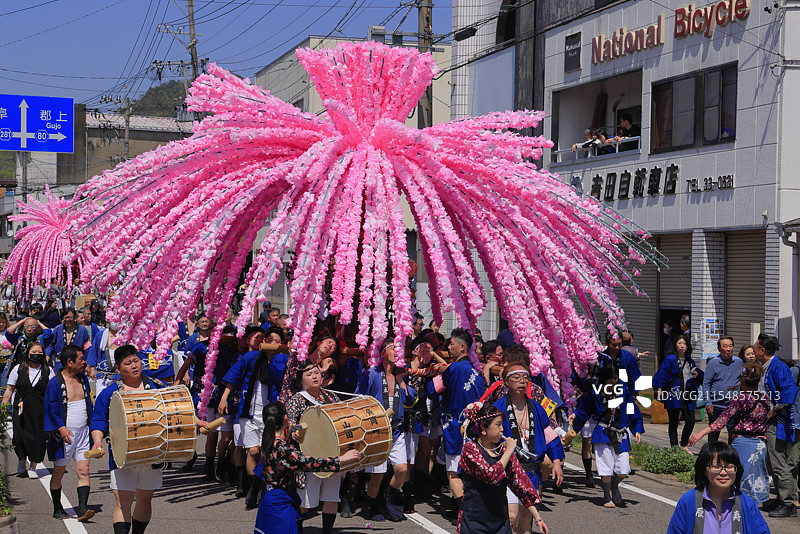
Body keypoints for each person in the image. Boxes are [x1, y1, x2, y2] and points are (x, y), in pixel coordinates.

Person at [90, 344, 206, 534]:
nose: (134, 366)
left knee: (144, 499)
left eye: (136, 361)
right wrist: (97, 442)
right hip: (122, 456)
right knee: (123, 501)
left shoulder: (156, 386)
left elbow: (176, 408)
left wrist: (197, 421)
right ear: (118, 369)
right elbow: (98, 421)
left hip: (153, 453)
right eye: (128, 363)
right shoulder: (110, 393)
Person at [252, 401, 360, 534]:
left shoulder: (267, 441)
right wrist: (341, 459)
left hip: (270, 499)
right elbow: (310, 463)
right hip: (280, 504)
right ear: (285, 418)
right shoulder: (283, 447)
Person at [219, 326, 287, 506]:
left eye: (277, 341)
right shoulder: (251, 356)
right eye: (269, 340)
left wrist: (276, 358)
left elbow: (282, 379)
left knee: (266, 453)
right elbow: (233, 377)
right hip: (248, 410)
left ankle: (260, 488)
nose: (273, 344)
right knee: (253, 450)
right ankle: (251, 487)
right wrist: (224, 398)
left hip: (270, 412)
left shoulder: (282, 360)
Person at [492, 363, 563, 534]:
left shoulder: (537, 408)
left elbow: (549, 435)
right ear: (506, 382)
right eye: (516, 378)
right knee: (510, 516)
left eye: (525, 378)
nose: (522, 382)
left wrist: (556, 461)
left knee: (525, 516)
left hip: (531, 472)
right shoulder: (499, 408)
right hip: (509, 470)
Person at [457, 403, 548, 534]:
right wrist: (509, 450)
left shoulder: (503, 450)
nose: (502, 429)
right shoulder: (471, 449)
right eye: (498, 424)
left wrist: (538, 518)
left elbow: (520, 483)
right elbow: (491, 476)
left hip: (500, 519)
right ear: (483, 427)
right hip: (474, 519)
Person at [689, 363, 770, 505]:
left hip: (743, 443)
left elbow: (721, 421)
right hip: (760, 444)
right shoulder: (765, 398)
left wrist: (700, 433)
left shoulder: (740, 399)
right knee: (755, 479)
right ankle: (752, 511)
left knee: (739, 479)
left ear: (743, 381)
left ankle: (738, 512)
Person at [357, 338, 417, 522]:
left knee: (401, 469)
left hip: (397, 431)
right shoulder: (372, 374)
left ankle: (389, 500)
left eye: (401, 349)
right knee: (377, 474)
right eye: (394, 348)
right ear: (383, 352)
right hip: (377, 431)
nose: (398, 351)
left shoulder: (401, 374)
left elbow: (410, 401)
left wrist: (401, 380)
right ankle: (373, 506)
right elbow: (359, 399)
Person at [428, 327, 485, 518]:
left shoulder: (454, 369)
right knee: (468, 471)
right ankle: (467, 506)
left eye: (451, 344)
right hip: (474, 427)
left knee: (452, 473)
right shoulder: (475, 372)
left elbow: (433, 389)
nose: (448, 347)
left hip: (455, 426)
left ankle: (465, 512)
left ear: (462, 347)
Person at [573, 365, 643, 508]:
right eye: (610, 378)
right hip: (603, 433)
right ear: (603, 379)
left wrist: (637, 429)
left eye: (615, 378)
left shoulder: (624, 392)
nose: (613, 381)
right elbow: (584, 409)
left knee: (624, 469)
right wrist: (575, 415)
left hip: (620, 434)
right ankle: (606, 495)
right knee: (606, 469)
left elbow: (633, 410)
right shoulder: (596, 393)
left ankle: (615, 486)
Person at [285, 361, 342, 532]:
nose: (314, 376)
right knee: (306, 500)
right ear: (301, 380)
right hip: (309, 455)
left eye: (316, 372)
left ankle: (327, 531)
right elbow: (291, 423)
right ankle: (297, 529)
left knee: (331, 497)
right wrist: (295, 431)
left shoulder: (331, 396)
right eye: (309, 374)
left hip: (332, 452)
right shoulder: (297, 399)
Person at [666, 441, 770, 533]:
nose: (723, 472)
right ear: (704, 470)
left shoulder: (747, 504)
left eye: (729, 467)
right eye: (716, 467)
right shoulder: (688, 501)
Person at [44, 345, 95, 521]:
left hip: (83, 432)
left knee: (84, 469)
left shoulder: (82, 379)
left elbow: (89, 403)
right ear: (69, 362)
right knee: (59, 471)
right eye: (80, 359)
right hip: (64, 434)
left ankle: (82, 509)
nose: (84, 362)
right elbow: (51, 407)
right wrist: (61, 428)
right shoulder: (55, 382)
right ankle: (57, 508)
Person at [753, 335, 799, 517]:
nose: (753, 350)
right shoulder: (765, 366)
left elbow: (789, 391)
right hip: (767, 419)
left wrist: (775, 408)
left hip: (777, 420)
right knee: (771, 462)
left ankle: (788, 503)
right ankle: (780, 498)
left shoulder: (778, 366)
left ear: (763, 350)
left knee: (779, 461)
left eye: (756, 348)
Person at [1, 342, 50, 478]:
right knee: (18, 438)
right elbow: (9, 389)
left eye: (40, 352)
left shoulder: (47, 371)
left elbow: (53, 392)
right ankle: (21, 459)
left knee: (38, 439)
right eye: (34, 352)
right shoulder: (18, 369)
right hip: (21, 409)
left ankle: (33, 466)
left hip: (40, 410)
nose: (37, 355)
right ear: (28, 353)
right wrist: (3, 407)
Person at [653, 335, 702, 449]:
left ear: (687, 346)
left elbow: (695, 374)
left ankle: (683, 444)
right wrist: (660, 391)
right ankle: (674, 448)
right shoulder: (670, 359)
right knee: (673, 422)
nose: (682, 346)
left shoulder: (690, 360)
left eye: (684, 344)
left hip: (687, 394)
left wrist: (696, 375)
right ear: (675, 345)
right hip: (673, 394)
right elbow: (662, 376)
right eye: (679, 343)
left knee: (690, 421)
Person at [703, 337, 743, 443]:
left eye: (730, 346)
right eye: (725, 346)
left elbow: (743, 380)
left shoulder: (739, 362)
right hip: (716, 406)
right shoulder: (713, 363)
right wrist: (708, 402)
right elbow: (706, 384)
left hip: (733, 406)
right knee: (713, 436)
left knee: (733, 435)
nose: (728, 349)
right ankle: (712, 457)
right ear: (719, 349)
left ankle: (730, 457)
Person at [46, 308, 91, 373]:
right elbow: (51, 345)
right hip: (60, 362)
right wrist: (47, 355)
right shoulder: (58, 329)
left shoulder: (82, 330)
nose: (67, 320)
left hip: (76, 363)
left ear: (75, 318)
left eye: (69, 317)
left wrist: (88, 364)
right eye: (65, 318)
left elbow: (87, 347)